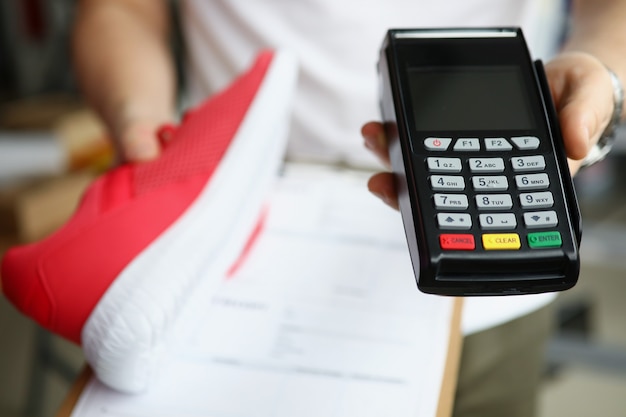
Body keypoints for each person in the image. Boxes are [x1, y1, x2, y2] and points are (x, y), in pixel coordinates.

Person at [71, 0, 626, 416]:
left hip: (497, 298)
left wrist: (603, 68)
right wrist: (140, 123)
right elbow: (120, 9)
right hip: (237, 253)